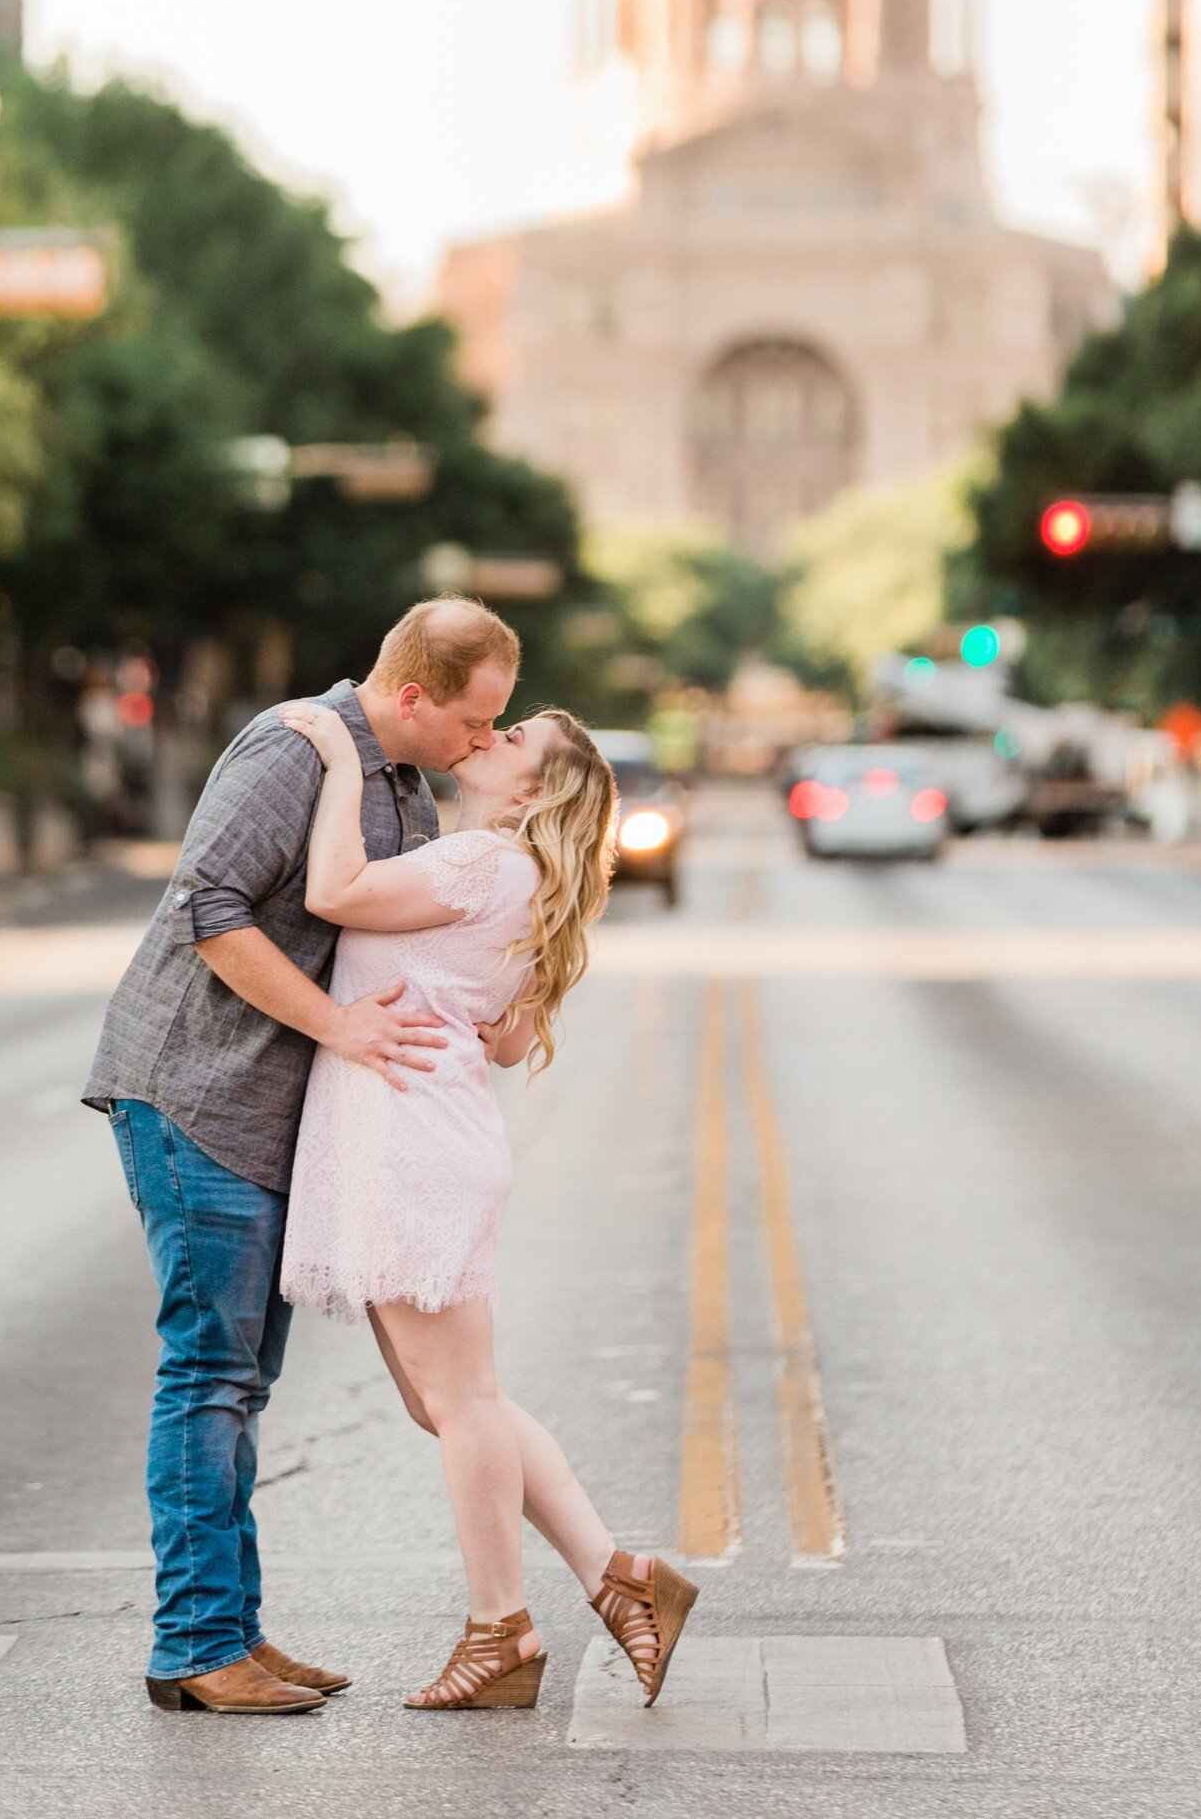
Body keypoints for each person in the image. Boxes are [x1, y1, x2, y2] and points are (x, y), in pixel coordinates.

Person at [83, 598, 522, 1717]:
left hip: (264, 1114)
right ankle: (194, 1644)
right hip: (197, 1095)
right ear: (414, 693)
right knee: (211, 1376)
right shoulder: (293, 748)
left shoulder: (404, 786)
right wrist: (341, 1030)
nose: (482, 743)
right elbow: (208, 911)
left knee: (243, 1381)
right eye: (474, 721)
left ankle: (233, 1627)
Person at [276, 692, 700, 1715]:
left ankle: (500, 1627)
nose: (492, 737)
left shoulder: (481, 863)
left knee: (457, 1402)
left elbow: (332, 888)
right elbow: (505, 1039)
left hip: (412, 1142)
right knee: (450, 1400)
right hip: (428, 1131)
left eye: (515, 739)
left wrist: (341, 754)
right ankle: (617, 1577)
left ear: (534, 790)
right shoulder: (529, 883)